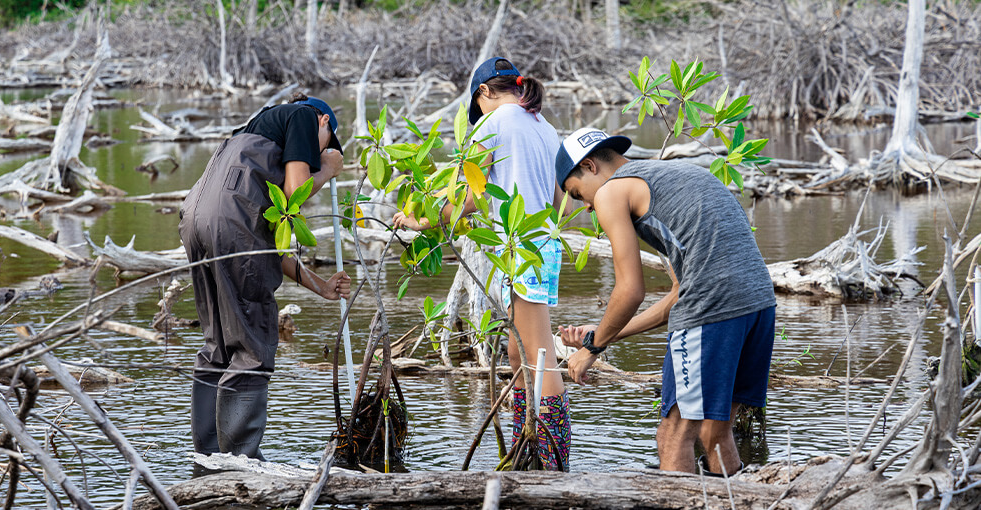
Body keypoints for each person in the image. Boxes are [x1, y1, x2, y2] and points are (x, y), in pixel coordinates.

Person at [555, 128, 775, 476]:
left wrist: (592, 349)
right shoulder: (673, 174)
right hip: (759, 304)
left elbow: (630, 291)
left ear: (589, 166)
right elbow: (676, 298)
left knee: (673, 435)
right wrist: (602, 334)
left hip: (711, 308)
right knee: (714, 432)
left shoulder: (612, 192)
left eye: (576, 192)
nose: (585, 206)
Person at [393, 57, 571, 470]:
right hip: (542, 243)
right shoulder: (544, 126)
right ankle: (527, 447)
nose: (479, 116)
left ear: (484, 93)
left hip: (515, 249)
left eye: (479, 106)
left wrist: (419, 219)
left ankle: (553, 461)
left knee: (539, 353)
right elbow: (563, 201)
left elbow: (467, 199)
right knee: (517, 350)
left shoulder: (491, 125)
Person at [179, 93, 352, 460]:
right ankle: (241, 462)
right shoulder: (305, 117)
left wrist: (320, 286)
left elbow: (265, 244)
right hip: (230, 223)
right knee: (251, 347)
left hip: (197, 219)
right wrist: (328, 169)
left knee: (218, 346)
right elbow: (294, 192)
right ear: (324, 123)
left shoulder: (251, 135)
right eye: (325, 145)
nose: (321, 151)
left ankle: (209, 460)